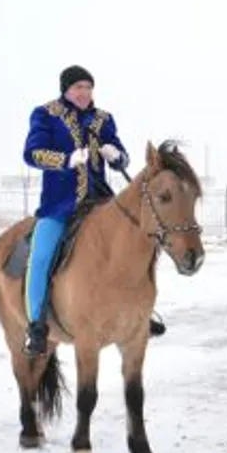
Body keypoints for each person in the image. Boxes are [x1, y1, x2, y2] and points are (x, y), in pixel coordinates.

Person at [21, 64, 131, 356]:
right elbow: (31, 153)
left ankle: (140, 312)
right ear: (66, 90)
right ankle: (36, 326)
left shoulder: (103, 119)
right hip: (60, 203)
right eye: (78, 87)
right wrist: (66, 160)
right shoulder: (45, 114)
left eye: (88, 87)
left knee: (134, 242)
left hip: (100, 201)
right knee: (41, 256)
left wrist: (117, 155)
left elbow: (121, 154)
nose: (84, 93)